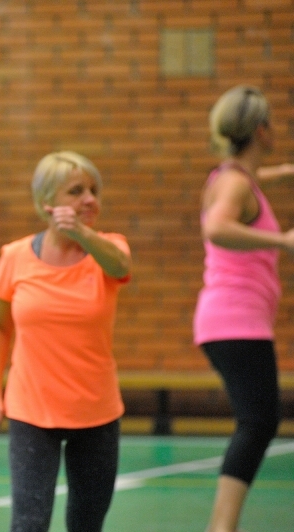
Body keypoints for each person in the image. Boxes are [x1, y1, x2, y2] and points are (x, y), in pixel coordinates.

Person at [0, 151, 132, 532]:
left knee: (86, 521)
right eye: (76, 191)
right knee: (29, 522)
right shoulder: (14, 256)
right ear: (47, 202)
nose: (90, 199)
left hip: (96, 411)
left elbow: (121, 267)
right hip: (32, 410)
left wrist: (81, 232)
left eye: (94, 191)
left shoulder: (109, 248)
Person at [193, 85, 294, 532]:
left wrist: (281, 172)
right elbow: (217, 227)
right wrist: (282, 241)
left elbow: (244, 181)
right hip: (237, 321)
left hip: (230, 321)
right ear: (261, 130)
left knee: (258, 420)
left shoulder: (229, 176)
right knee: (258, 421)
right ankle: (222, 526)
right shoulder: (234, 183)